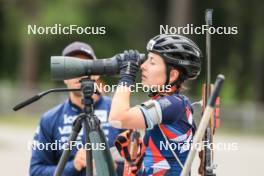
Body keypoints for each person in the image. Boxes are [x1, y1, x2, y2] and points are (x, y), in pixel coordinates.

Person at [109, 34, 202, 175]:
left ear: (172, 75)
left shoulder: (173, 105)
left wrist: (126, 77)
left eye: (152, 62)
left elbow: (117, 118)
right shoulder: (176, 104)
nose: (142, 66)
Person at [30, 41, 123, 176]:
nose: (80, 72)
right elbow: (35, 172)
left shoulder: (118, 111)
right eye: (72, 66)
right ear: (63, 76)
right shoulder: (49, 119)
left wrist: (111, 166)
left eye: (86, 65)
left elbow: (139, 165)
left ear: (97, 73)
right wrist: (73, 165)